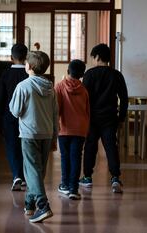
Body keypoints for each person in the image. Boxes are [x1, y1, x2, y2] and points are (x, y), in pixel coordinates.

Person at [9, 51, 58, 223]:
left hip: (29, 134)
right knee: (38, 171)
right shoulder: (50, 87)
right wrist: (55, 137)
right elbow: (54, 113)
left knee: (31, 171)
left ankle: (43, 206)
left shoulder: (23, 86)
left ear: (28, 67)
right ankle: (30, 204)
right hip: (46, 133)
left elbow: (15, 111)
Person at [79, 43, 129, 193]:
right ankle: (115, 178)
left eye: (93, 58)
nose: (93, 60)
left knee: (90, 147)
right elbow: (124, 98)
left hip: (92, 119)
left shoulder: (89, 74)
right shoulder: (116, 75)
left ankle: (87, 177)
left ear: (98, 57)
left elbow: (83, 98)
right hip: (110, 118)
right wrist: (121, 117)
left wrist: (83, 117)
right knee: (111, 147)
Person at [54, 59, 89, 200]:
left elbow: (57, 109)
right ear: (82, 75)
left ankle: (65, 185)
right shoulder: (84, 90)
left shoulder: (60, 87)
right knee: (76, 157)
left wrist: (55, 125)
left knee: (65, 157)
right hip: (80, 129)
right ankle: (74, 189)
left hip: (64, 128)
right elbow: (87, 111)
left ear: (68, 71)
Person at [0, 43, 29, 191]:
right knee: (25, 146)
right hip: (28, 116)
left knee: (12, 145)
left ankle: (16, 175)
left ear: (11, 58)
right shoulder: (30, 74)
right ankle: (24, 176)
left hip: (9, 115)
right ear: (26, 57)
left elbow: (0, 97)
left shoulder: (5, 74)